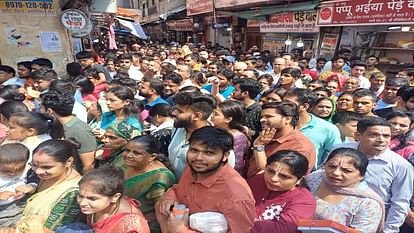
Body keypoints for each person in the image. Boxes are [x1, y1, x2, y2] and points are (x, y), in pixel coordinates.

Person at [155, 126, 256, 233]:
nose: (198, 158)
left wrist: (181, 230)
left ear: (225, 156)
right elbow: (178, 189)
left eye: (209, 153)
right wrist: (170, 197)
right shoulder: (193, 168)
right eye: (194, 150)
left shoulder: (236, 195)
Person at [334, 117, 414, 232]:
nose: (381, 140)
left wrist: (389, 230)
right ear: (358, 136)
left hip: (372, 224)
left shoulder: (401, 166)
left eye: (386, 136)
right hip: (335, 217)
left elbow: (400, 204)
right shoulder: (340, 150)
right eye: (373, 135)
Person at [7, 139, 82, 232]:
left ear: (69, 162)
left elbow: (51, 230)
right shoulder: (41, 174)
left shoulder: (73, 192)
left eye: (47, 167)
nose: (38, 171)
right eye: (34, 165)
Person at [306, 148, 384, 233]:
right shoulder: (316, 178)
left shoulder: (368, 203)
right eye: (331, 166)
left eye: (347, 171)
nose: (336, 172)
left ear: (361, 176)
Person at [249, 150, 316, 233]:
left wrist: (242, 220)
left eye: (284, 176)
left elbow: (283, 230)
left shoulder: (304, 201)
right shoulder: (258, 180)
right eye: (270, 171)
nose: (273, 179)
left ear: (299, 180)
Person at [123, 135, 176, 232]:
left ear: (152, 157)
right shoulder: (134, 165)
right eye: (127, 150)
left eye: (136, 153)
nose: (129, 155)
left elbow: (162, 214)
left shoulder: (160, 177)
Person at [249, 102, 316, 177]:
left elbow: (273, 174)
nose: (262, 120)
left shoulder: (300, 146)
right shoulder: (265, 137)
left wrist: (259, 147)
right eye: (261, 117)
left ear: (287, 119)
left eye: (269, 116)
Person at [77, 166, 150, 233]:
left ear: (115, 197)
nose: (82, 203)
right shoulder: (99, 207)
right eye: (80, 196)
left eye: (92, 198)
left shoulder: (129, 225)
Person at [283, 89, 341, 168]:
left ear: (304, 106)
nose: (283, 106)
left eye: (289, 104)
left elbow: (336, 154)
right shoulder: (279, 123)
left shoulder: (328, 128)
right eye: (283, 102)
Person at [41, 90, 97, 173]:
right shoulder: (55, 125)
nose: (39, 110)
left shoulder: (80, 130)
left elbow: (89, 165)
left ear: (49, 111)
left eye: (41, 107)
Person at [168, 92, 216, 179]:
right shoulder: (177, 128)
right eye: (175, 109)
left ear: (197, 116)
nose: (174, 113)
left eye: (180, 111)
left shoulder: (215, 141)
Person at [0, 143, 36, 227]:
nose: (13, 174)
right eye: (6, 171)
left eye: (19, 169)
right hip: (2, 209)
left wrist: (31, 187)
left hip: (21, 203)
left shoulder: (28, 170)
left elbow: (34, 180)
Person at [211, 100, 251, 174]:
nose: (212, 116)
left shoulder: (238, 138)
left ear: (228, 119)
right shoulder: (216, 131)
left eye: (216, 114)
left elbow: (237, 165)